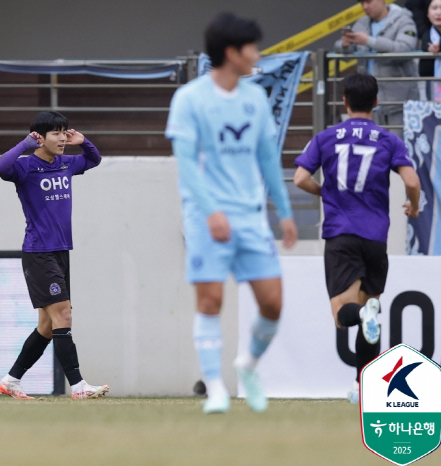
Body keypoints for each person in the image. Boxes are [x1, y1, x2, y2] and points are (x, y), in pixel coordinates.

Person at [166, 12, 298, 414]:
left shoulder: (255, 98)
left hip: (251, 217)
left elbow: (267, 159)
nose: (257, 54)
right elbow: (185, 163)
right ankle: (217, 388)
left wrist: (286, 211)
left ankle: (249, 365)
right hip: (206, 218)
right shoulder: (190, 99)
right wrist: (210, 211)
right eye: (252, 48)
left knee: (273, 303)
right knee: (210, 301)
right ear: (231, 53)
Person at [293, 73, 421, 404]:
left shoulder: (326, 137)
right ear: (376, 102)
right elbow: (413, 181)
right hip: (376, 238)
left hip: (342, 234)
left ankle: (362, 341)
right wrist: (414, 207)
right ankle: (362, 388)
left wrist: (325, 193)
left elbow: (299, 178)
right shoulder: (389, 140)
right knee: (370, 315)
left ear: (344, 101)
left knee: (344, 314)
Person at [0, 111, 109, 400]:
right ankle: (78, 386)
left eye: (65, 132)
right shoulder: (25, 166)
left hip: (59, 251)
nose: (63, 139)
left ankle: (11, 380)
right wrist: (24, 145)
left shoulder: (65, 163)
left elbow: (94, 161)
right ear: (40, 137)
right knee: (64, 314)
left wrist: (85, 142)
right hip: (39, 252)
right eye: (56, 133)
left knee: (47, 326)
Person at [336, 0, 419, 137]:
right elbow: (344, 53)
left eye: (368, 2)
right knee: (372, 147)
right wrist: (345, 45)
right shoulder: (362, 23)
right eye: (362, 3)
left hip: (398, 100)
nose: (365, 7)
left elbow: (405, 49)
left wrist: (369, 41)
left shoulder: (403, 19)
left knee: (397, 146)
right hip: (368, 100)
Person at [418, 0, 441, 101]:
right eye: (434, 8)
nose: (438, 13)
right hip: (433, 88)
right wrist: (429, 51)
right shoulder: (426, 35)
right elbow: (423, 71)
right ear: (427, 13)